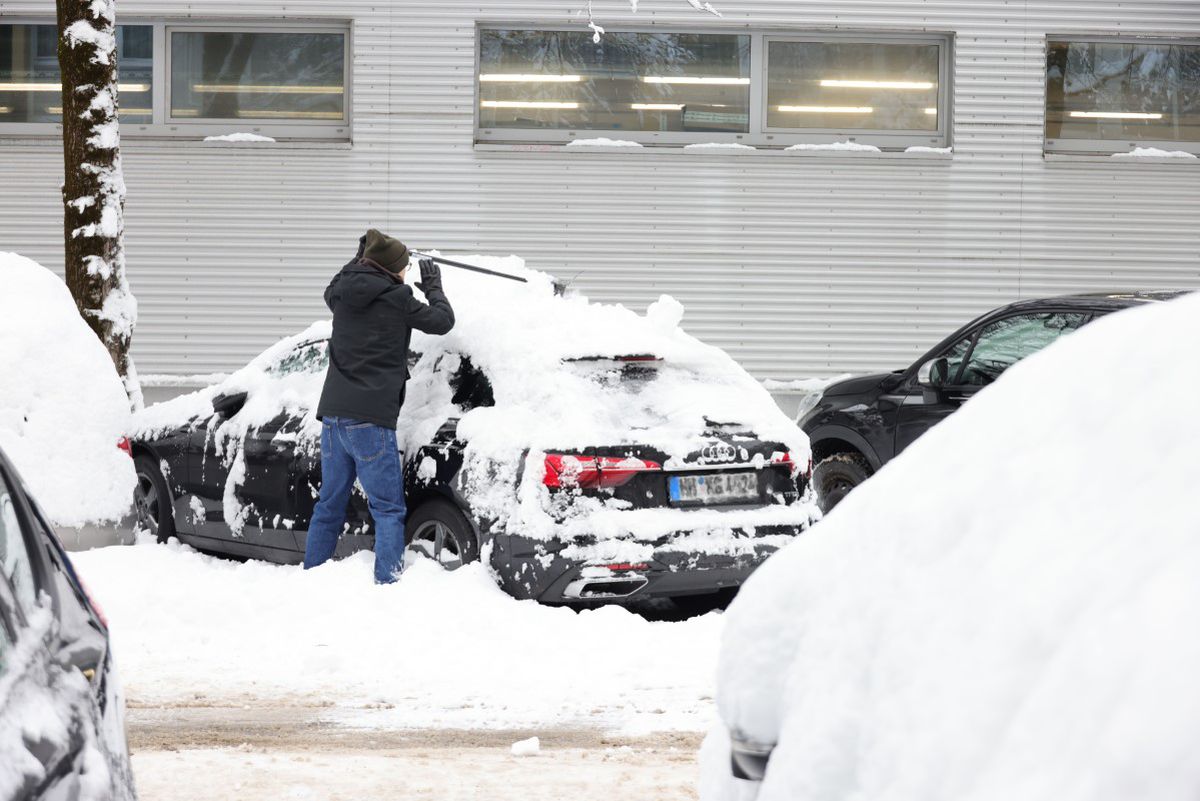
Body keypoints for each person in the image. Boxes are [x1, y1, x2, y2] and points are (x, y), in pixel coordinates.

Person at [304, 229, 455, 583]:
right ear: (393, 269)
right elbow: (443, 321)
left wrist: (361, 255)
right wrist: (433, 285)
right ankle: (387, 586)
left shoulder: (340, 294)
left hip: (333, 420)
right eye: (403, 267)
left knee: (328, 506)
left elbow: (336, 283)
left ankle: (310, 580)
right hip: (370, 422)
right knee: (388, 510)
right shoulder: (398, 298)